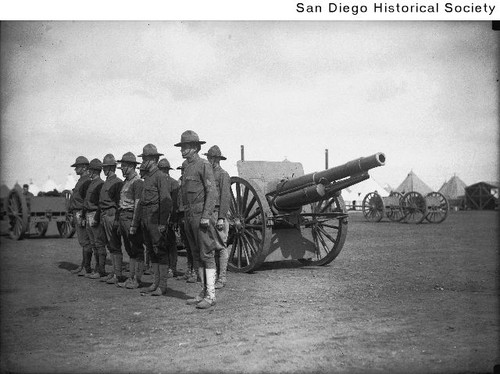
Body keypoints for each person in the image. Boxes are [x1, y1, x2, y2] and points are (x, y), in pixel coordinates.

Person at [174, 130, 219, 309]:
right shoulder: (186, 167)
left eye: (185, 147)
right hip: (189, 216)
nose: (182, 150)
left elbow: (212, 192)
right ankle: (202, 292)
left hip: (201, 216)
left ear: (194, 148)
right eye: (182, 147)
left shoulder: (203, 165)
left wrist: (206, 216)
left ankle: (211, 295)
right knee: (195, 254)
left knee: (207, 254)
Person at [137, 144, 173, 296]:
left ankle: (162, 285)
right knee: (151, 251)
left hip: (155, 218)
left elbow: (166, 201)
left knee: (160, 251)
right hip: (146, 217)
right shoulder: (148, 177)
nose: (143, 161)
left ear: (153, 160)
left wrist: (162, 223)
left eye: (145, 158)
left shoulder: (159, 177)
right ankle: (155, 282)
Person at [116, 152, 145, 289]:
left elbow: (138, 204)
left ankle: (137, 279)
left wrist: (134, 224)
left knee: (136, 248)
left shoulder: (137, 182)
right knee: (129, 249)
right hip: (123, 217)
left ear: (131, 166)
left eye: (124, 165)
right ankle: (131, 278)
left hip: (130, 217)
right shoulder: (126, 182)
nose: (121, 168)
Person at [204, 145, 231, 289]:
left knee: (221, 247)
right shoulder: (208, 174)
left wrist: (221, 217)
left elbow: (225, 197)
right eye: (208, 157)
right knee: (210, 247)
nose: (209, 160)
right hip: (208, 214)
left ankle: (222, 278)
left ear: (216, 159)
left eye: (211, 158)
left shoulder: (223, 175)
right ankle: (213, 277)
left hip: (218, 214)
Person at [99, 154, 124, 284]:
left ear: (111, 168)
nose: (104, 170)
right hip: (104, 215)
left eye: (106, 167)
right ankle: (114, 272)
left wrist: (116, 219)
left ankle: (118, 274)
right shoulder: (107, 182)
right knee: (110, 245)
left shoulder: (117, 182)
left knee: (114, 244)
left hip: (111, 214)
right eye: (103, 167)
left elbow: (119, 202)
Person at [68, 156, 92, 276]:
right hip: (77, 212)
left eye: (77, 167)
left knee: (85, 241)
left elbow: (86, 200)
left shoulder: (86, 181)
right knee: (84, 242)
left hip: (81, 213)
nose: (75, 169)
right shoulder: (82, 180)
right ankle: (84, 266)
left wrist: (82, 215)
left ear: (84, 167)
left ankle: (86, 267)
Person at [83, 158, 106, 279]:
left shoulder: (100, 184)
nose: (88, 172)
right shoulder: (92, 183)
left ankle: (100, 270)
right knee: (93, 244)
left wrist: (96, 218)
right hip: (88, 215)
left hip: (94, 215)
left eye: (90, 170)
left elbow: (100, 203)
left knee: (98, 243)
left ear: (94, 171)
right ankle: (97, 269)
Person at [157, 158, 180, 279]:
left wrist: (173, 220)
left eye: (163, 170)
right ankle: (163, 268)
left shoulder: (173, 183)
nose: (162, 172)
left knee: (171, 244)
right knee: (160, 244)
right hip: (159, 217)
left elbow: (175, 203)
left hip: (169, 218)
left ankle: (172, 268)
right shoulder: (159, 182)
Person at [176, 162, 196, 283]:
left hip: (190, 216)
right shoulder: (180, 182)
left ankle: (195, 272)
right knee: (187, 246)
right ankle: (189, 270)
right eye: (182, 170)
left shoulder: (192, 182)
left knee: (193, 246)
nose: (183, 172)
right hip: (181, 216)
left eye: (185, 170)